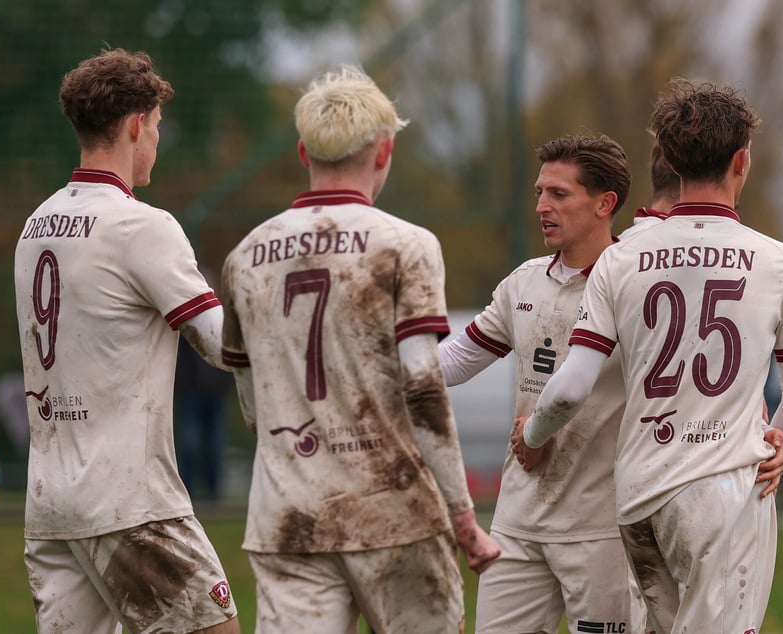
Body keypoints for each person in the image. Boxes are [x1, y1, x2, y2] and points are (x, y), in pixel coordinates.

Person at [512, 78, 783, 634]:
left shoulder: (619, 258)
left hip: (637, 496)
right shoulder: (779, 262)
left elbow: (571, 387)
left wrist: (531, 436)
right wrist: (773, 444)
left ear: (672, 164)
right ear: (741, 161)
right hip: (722, 493)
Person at [219, 64, 500, 633]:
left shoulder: (244, 256)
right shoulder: (406, 245)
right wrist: (462, 513)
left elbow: (252, 402)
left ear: (304, 152)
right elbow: (423, 387)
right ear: (383, 151)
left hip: (288, 516)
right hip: (393, 512)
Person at [13, 49, 239, 633]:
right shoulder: (142, 225)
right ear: (137, 124)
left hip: (51, 506)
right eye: (157, 125)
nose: (157, 139)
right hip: (129, 500)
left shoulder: (35, 226)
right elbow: (221, 346)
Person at [440, 133, 644, 634]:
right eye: (538, 192)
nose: (541, 207)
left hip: (602, 529)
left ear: (605, 204)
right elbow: (457, 359)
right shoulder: (524, 282)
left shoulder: (637, 287)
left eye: (559, 194)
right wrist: (378, 371)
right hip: (518, 522)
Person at [175, 268, 234, 505]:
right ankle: (187, 492)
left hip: (215, 393)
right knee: (190, 443)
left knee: (215, 444)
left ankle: (214, 495)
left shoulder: (221, 317)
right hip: (190, 391)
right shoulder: (185, 316)